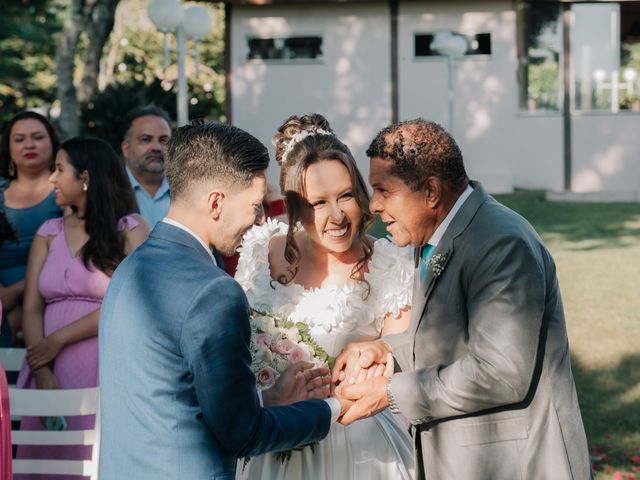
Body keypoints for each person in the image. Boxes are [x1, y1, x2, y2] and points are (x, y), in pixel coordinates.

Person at [333, 119, 592, 479]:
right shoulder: (433, 235)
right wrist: (388, 350)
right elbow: (449, 337)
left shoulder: (501, 244)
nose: (373, 205)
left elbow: (500, 372)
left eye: (384, 190)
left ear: (431, 192)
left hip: (517, 465)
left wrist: (391, 391)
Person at [99, 121, 350, 480]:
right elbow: (245, 434)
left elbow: (174, 402)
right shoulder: (212, 291)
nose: (261, 218)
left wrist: (267, 400)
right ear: (216, 202)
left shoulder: (130, 269)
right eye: (254, 205)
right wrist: (335, 408)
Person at [235, 114, 415, 479]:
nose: (337, 216)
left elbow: (406, 360)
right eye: (318, 202)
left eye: (345, 196)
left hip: (360, 447)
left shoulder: (388, 264)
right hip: (275, 438)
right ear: (295, 206)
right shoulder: (258, 253)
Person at [16, 137, 148, 476]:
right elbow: (32, 306)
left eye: (60, 169)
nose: (52, 179)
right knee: (45, 464)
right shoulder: (49, 232)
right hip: (47, 367)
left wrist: (58, 340)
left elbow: (132, 302)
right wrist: (42, 368)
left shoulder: (130, 230)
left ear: (85, 177)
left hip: (103, 366)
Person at [0, 111, 62, 346]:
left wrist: (15, 296)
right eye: (19, 139)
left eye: (37, 137)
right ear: (8, 146)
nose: (29, 144)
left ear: (53, 142)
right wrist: (4, 306)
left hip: (52, 301)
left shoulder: (66, 190)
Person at [121, 105, 172, 227]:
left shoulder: (188, 191)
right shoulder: (107, 191)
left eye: (164, 140)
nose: (156, 147)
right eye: (146, 139)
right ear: (126, 149)